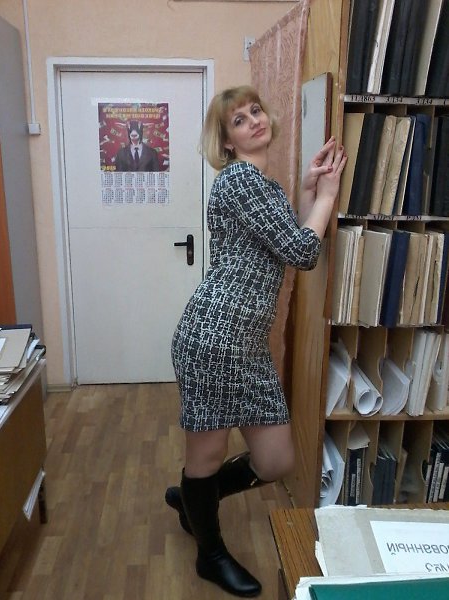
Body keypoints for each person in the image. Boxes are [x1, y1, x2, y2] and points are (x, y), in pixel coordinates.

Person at [165, 85, 347, 597]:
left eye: (255, 110)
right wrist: (326, 197)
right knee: (206, 456)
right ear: (227, 141)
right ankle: (210, 553)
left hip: (248, 346)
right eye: (239, 120)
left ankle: (194, 499)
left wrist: (308, 190)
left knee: (275, 461)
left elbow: (294, 238)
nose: (253, 120)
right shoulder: (241, 180)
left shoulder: (263, 185)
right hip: (214, 338)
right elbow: (302, 250)